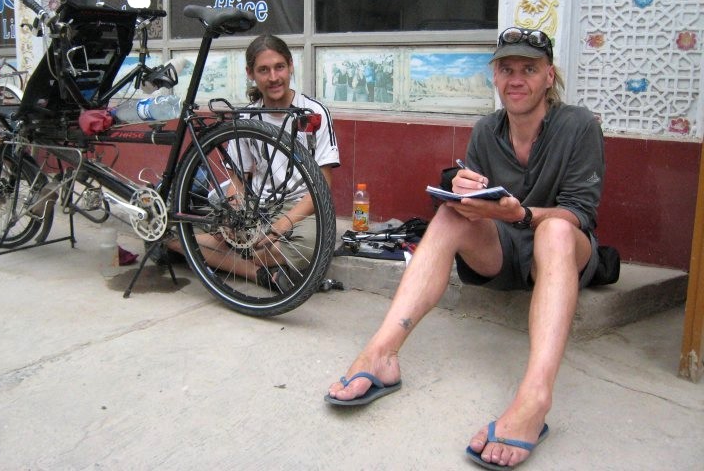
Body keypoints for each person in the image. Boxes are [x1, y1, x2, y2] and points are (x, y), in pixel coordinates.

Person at [324, 26, 604, 470]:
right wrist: (464, 193)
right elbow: (475, 207)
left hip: (564, 246)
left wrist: (520, 215)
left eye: (529, 70)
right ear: (494, 77)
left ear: (549, 76)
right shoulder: (486, 131)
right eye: (506, 69)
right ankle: (381, 354)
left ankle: (534, 399)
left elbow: (579, 215)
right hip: (505, 249)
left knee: (553, 233)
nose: (516, 79)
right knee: (450, 213)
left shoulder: (579, 126)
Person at [165, 34, 340, 290]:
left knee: (310, 245)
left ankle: (185, 247)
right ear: (250, 73)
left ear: (291, 65)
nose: (273, 78)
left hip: (300, 209)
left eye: (279, 67)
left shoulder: (314, 113)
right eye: (263, 70)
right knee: (233, 233)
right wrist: (237, 214)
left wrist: (283, 225)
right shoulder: (246, 116)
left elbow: (323, 185)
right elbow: (237, 180)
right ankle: (257, 274)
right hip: (257, 206)